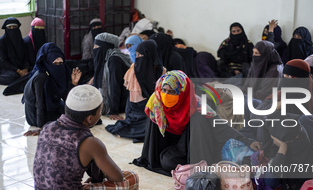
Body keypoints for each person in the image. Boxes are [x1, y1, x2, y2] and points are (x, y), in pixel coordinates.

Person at [14, 85, 139, 190]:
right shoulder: (90, 143)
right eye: (100, 110)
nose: (101, 113)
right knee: (131, 178)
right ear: (90, 118)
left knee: (81, 185)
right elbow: (117, 178)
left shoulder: (47, 128)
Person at [132, 70, 261, 176]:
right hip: (170, 147)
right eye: (164, 90)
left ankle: (197, 165)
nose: (166, 95)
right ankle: (188, 166)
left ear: (183, 92)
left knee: (197, 119)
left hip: (190, 148)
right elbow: (151, 137)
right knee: (166, 162)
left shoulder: (196, 105)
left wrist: (247, 140)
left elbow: (220, 126)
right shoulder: (157, 103)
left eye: (172, 92)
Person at [106, 40, 165, 142]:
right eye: (136, 55)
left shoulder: (162, 71)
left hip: (154, 111)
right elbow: (131, 100)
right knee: (146, 129)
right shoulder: (133, 71)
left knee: (158, 128)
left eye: (140, 55)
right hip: (137, 113)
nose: (137, 58)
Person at [22, 43, 82, 136]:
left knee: (79, 117)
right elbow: (39, 103)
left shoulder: (64, 70)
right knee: (65, 122)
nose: (58, 66)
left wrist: (73, 84)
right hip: (36, 113)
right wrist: (40, 128)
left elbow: (67, 98)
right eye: (55, 63)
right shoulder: (41, 76)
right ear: (47, 62)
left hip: (52, 105)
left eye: (60, 63)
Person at [93, 32, 132, 120]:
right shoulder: (108, 58)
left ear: (105, 47)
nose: (94, 49)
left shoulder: (114, 60)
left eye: (96, 46)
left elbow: (115, 86)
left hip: (121, 105)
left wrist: (113, 111)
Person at [0, 17, 30, 85]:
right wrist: (19, 71)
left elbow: (25, 55)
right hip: (7, 68)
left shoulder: (20, 40)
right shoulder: (2, 41)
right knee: (13, 77)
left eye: (14, 27)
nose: (12, 29)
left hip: (20, 66)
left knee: (33, 72)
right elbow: (3, 61)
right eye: (9, 27)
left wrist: (26, 69)